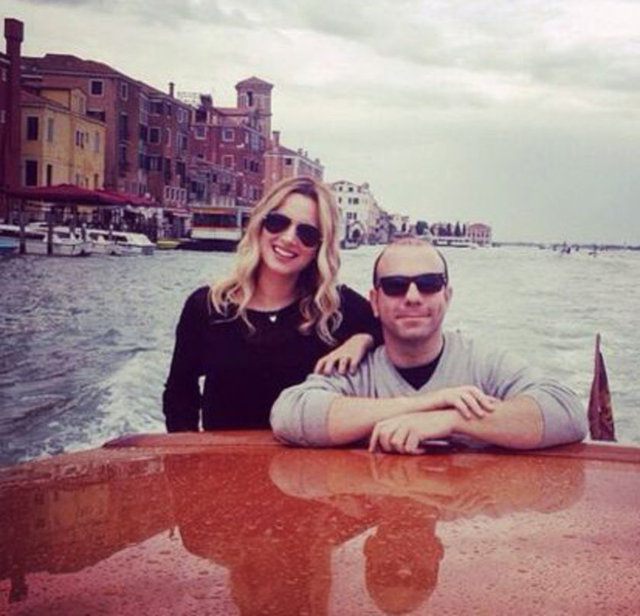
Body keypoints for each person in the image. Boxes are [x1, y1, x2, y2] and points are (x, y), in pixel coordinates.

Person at [271, 238, 588, 453]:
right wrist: (427, 402)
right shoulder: (355, 370)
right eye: (395, 286)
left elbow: (567, 413)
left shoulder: (483, 361)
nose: (412, 297)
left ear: (446, 296)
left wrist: (449, 420)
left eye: (428, 284)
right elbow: (290, 415)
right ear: (375, 302)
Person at [163, 176, 379, 432]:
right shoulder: (208, 307)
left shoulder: (338, 308)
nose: (289, 238)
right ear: (260, 225)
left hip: (310, 456)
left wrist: (362, 339)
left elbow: (393, 332)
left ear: (319, 248)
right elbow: (180, 392)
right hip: (224, 455)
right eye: (278, 222)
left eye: (307, 233)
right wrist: (189, 449)